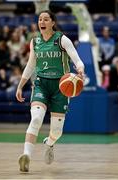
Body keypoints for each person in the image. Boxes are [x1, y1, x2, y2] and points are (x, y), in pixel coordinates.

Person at [16, 10, 85, 172]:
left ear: (53, 23)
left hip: (61, 87)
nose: (42, 22)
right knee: (36, 119)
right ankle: (26, 156)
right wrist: (20, 85)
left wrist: (80, 69)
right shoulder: (35, 42)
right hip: (41, 84)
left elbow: (76, 59)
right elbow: (31, 65)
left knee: (56, 132)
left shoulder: (62, 39)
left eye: (46, 19)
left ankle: (50, 143)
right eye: (40, 19)